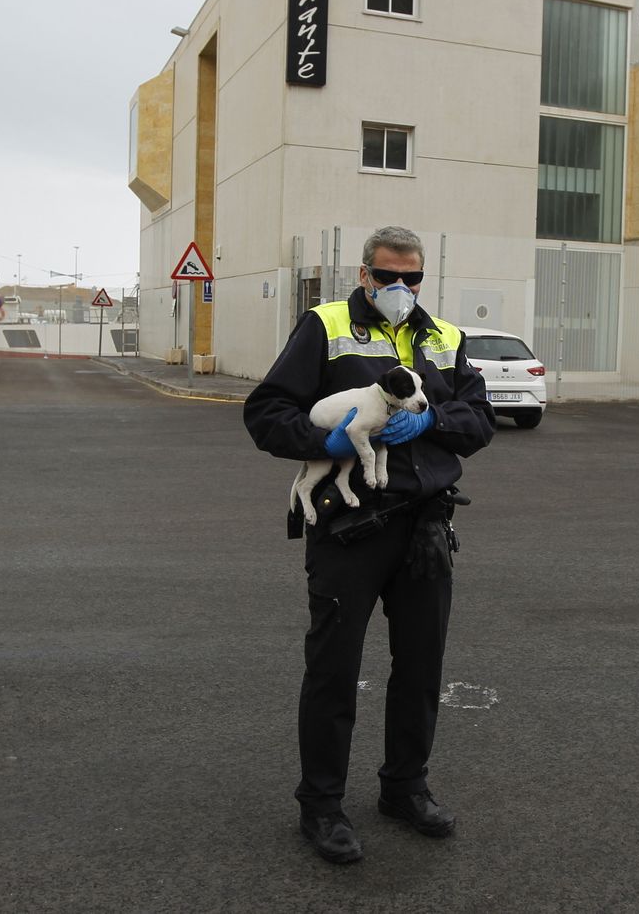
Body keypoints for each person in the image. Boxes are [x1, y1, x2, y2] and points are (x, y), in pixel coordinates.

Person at [244, 225, 495, 864]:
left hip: (425, 524)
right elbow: (267, 410)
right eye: (388, 277)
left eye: (412, 278)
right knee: (334, 668)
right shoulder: (325, 328)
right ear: (364, 275)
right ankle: (321, 805)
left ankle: (404, 788)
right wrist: (319, 442)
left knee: (420, 667)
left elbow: (479, 421)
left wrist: (434, 418)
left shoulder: (445, 338)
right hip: (350, 526)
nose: (401, 289)